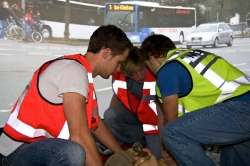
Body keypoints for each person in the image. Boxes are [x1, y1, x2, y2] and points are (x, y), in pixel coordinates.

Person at [0, 25, 133, 166]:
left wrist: (121, 154)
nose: (119, 69)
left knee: (82, 152)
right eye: (119, 62)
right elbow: (79, 136)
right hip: (17, 152)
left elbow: (96, 123)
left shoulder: (82, 74)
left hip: (36, 149)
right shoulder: (74, 71)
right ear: (106, 54)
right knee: (74, 152)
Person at [139, 34, 250, 165]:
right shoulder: (192, 56)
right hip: (240, 113)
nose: (150, 71)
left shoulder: (167, 69)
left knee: (172, 132)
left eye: (147, 65)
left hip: (239, 109)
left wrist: (173, 154)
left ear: (151, 57)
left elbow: (172, 121)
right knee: (230, 150)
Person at [103, 46, 163, 160]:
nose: (139, 76)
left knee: (157, 158)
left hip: (155, 123)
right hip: (137, 114)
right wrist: (109, 130)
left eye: (141, 70)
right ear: (125, 73)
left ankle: (147, 144)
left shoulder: (156, 72)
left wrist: (164, 143)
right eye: (134, 73)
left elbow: (164, 112)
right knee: (110, 114)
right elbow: (117, 96)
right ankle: (124, 146)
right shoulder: (119, 76)